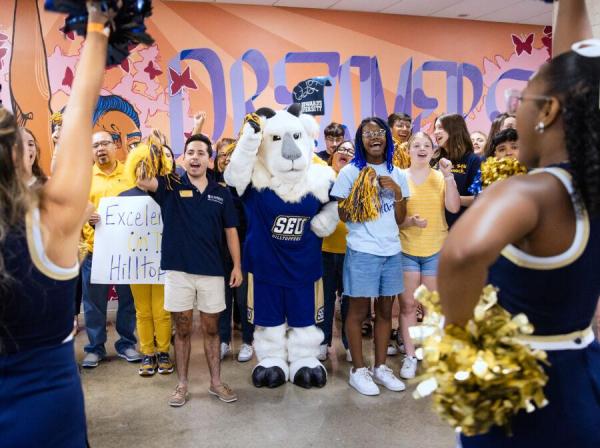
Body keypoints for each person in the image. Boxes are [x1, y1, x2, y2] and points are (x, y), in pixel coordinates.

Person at [439, 1, 600, 446]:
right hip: (582, 374)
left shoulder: (531, 192)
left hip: (521, 393)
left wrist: (460, 340)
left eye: (522, 102)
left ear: (547, 112)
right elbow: (579, 74)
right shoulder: (587, 185)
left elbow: (462, 251)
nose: (514, 117)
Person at [0, 4, 108, 445]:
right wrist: (99, 27)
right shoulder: (54, 216)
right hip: (47, 414)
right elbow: (79, 109)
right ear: (15, 153)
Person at [137, 133, 242, 407]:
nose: (195, 157)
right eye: (190, 152)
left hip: (212, 271)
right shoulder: (169, 185)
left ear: (210, 160)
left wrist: (237, 267)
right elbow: (141, 178)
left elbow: (231, 231)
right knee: (182, 329)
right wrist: (153, 148)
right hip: (178, 271)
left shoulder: (221, 193)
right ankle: (182, 385)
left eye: (201, 153)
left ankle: (216, 382)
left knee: (212, 329)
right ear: (183, 158)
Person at [331, 117, 410, 396]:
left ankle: (380, 367)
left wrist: (397, 193)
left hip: (391, 251)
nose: (374, 137)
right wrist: (362, 190)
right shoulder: (351, 172)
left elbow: (400, 219)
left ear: (387, 138)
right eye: (367, 133)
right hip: (363, 250)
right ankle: (358, 371)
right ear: (361, 140)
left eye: (379, 132)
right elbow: (342, 215)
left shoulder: (398, 173)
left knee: (387, 311)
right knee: (358, 311)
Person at [397, 132, 460, 379]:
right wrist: (409, 222)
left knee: (432, 307)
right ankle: (410, 356)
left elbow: (453, 207)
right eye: (416, 145)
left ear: (434, 151)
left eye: (427, 145)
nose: (421, 148)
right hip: (406, 250)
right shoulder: (399, 177)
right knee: (408, 306)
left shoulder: (440, 178)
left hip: (436, 248)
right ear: (409, 150)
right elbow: (395, 220)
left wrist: (449, 177)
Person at [80, 130, 142, 368]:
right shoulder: (84, 177)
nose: (100, 149)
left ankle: (126, 343)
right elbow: (74, 209)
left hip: (127, 252)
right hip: (94, 252)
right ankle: (95, 348)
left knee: (128, 301)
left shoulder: (130, 174)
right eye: (95, 145)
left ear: (116, 146)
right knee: (93, 304)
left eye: (105, 143)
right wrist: (87, 216)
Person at [121, 138, 175, 377]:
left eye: (150, 163)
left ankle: (163, 351)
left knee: (162, 311)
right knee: (142, 311)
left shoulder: (167, 194)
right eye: (140, 163)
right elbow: (117, 231)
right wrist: (99, 222)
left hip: (163, 263)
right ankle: (148, 353)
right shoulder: (123, 198)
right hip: (137, 265)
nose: (144, 168)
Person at [213, 138, 255, 363]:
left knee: (243, 299)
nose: (227, 159)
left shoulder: (245, 184)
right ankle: (223, 341)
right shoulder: (209, 183)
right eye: (222, 155)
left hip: (245, 248)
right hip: (218, 251)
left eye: (232, 154)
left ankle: (248, 341)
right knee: (222, 299)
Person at [318, 140, 355, 362]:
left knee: (350, 300)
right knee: (325, 300)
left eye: (351, 152)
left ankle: (351, 345)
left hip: (352, 251)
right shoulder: (322, 178)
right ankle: (323, 341)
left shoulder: (359, 179)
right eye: (342, 150)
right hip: (324, 249)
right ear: (332, 155)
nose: (345, 153)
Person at [433, 114, 480, 227]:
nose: (435, 132)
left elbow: (480, 198)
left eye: (440, 127)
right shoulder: (434, 159)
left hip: (460, 227)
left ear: (454, 128)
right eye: (435, 128)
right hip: (435, 228)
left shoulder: (472, 160)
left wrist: (452, 199)